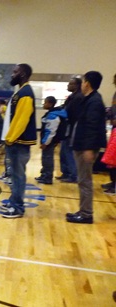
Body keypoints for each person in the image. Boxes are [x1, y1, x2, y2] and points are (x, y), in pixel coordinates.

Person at [66, 71, 107, 224]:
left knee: (85, 180)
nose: (81, 84)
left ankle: (86, 214)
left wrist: (89, 149)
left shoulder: (94, 101)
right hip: (81, 145)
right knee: (82, 180)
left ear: (87, 83)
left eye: (83, 81)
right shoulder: (88, 99)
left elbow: (92, 126)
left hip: (86, 147)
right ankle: (83, 210)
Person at [1, 63, 37, 219]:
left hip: (18, 142)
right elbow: (13, 118)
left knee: (18, 175)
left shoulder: (26, 93)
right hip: (14, 141)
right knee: (14, 175)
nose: (12, 74)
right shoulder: (21, 91)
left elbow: (22, 120)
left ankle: (18, 207)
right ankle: (13, 200)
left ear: (22, 74)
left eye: (15, 72)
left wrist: (10, 138)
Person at [34, 96, 67, 184]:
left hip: (49, 141)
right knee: (45, 158)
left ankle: (47, 177)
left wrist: (45, 142)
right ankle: (44, 174)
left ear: (50, 104)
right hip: (48, 141)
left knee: (48, 158)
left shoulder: (53, 115)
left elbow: (51, 131)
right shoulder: (50, 113)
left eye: (45, 102)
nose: (44, 104)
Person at [56, 77, 83, 183]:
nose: (68, 86)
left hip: (70, 129)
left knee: (68, 152)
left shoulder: (78, 97)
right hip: (66, 128)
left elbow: (72, 114)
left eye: (71, 84)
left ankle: (73, 175)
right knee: (63, 152)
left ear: (77, 85)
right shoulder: (72, 97)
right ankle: (65, 172)